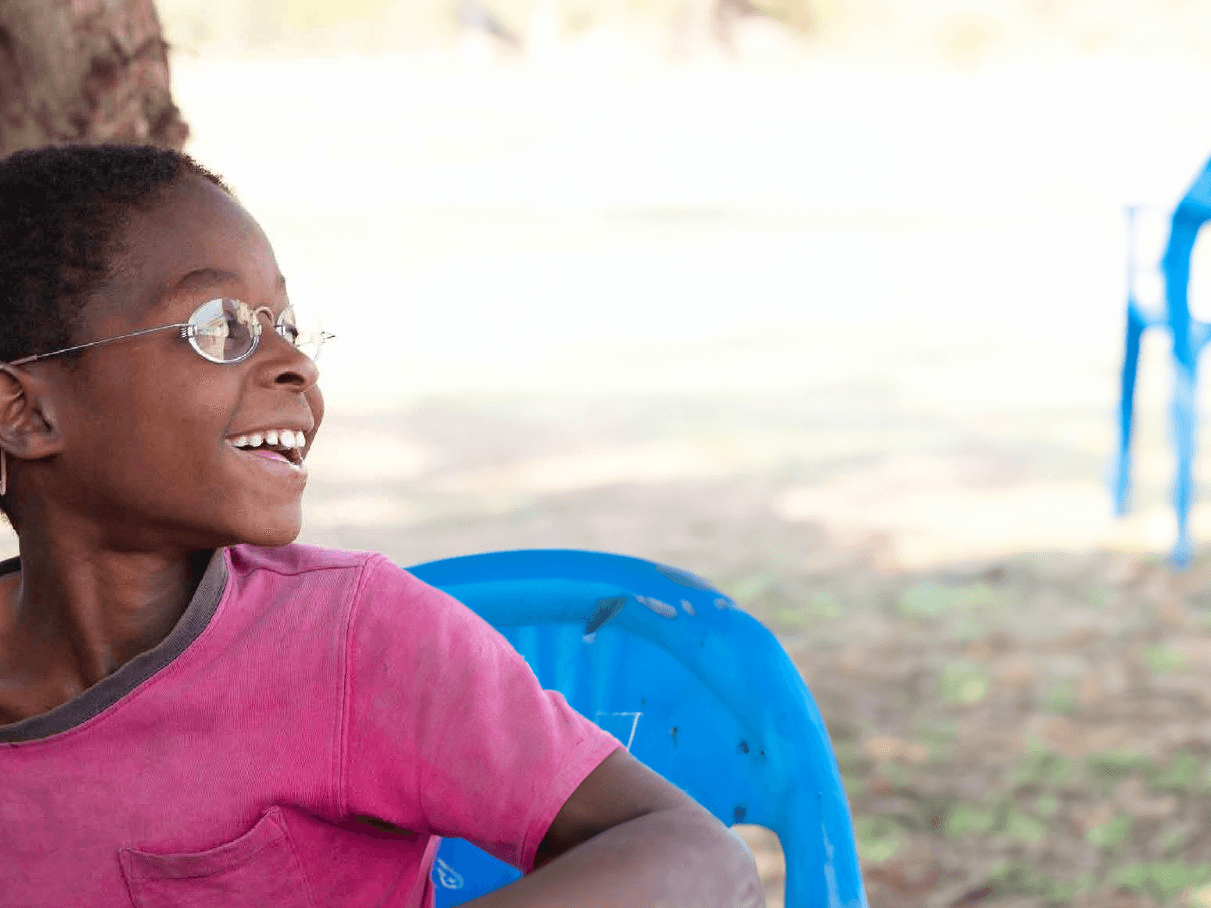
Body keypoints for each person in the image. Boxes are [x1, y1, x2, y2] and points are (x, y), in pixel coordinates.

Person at [0, 144, 764, 907]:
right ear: (26, 411)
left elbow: (697, 855)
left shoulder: (348, 638)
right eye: (222, 327)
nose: (296, 363)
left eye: (284, 324)